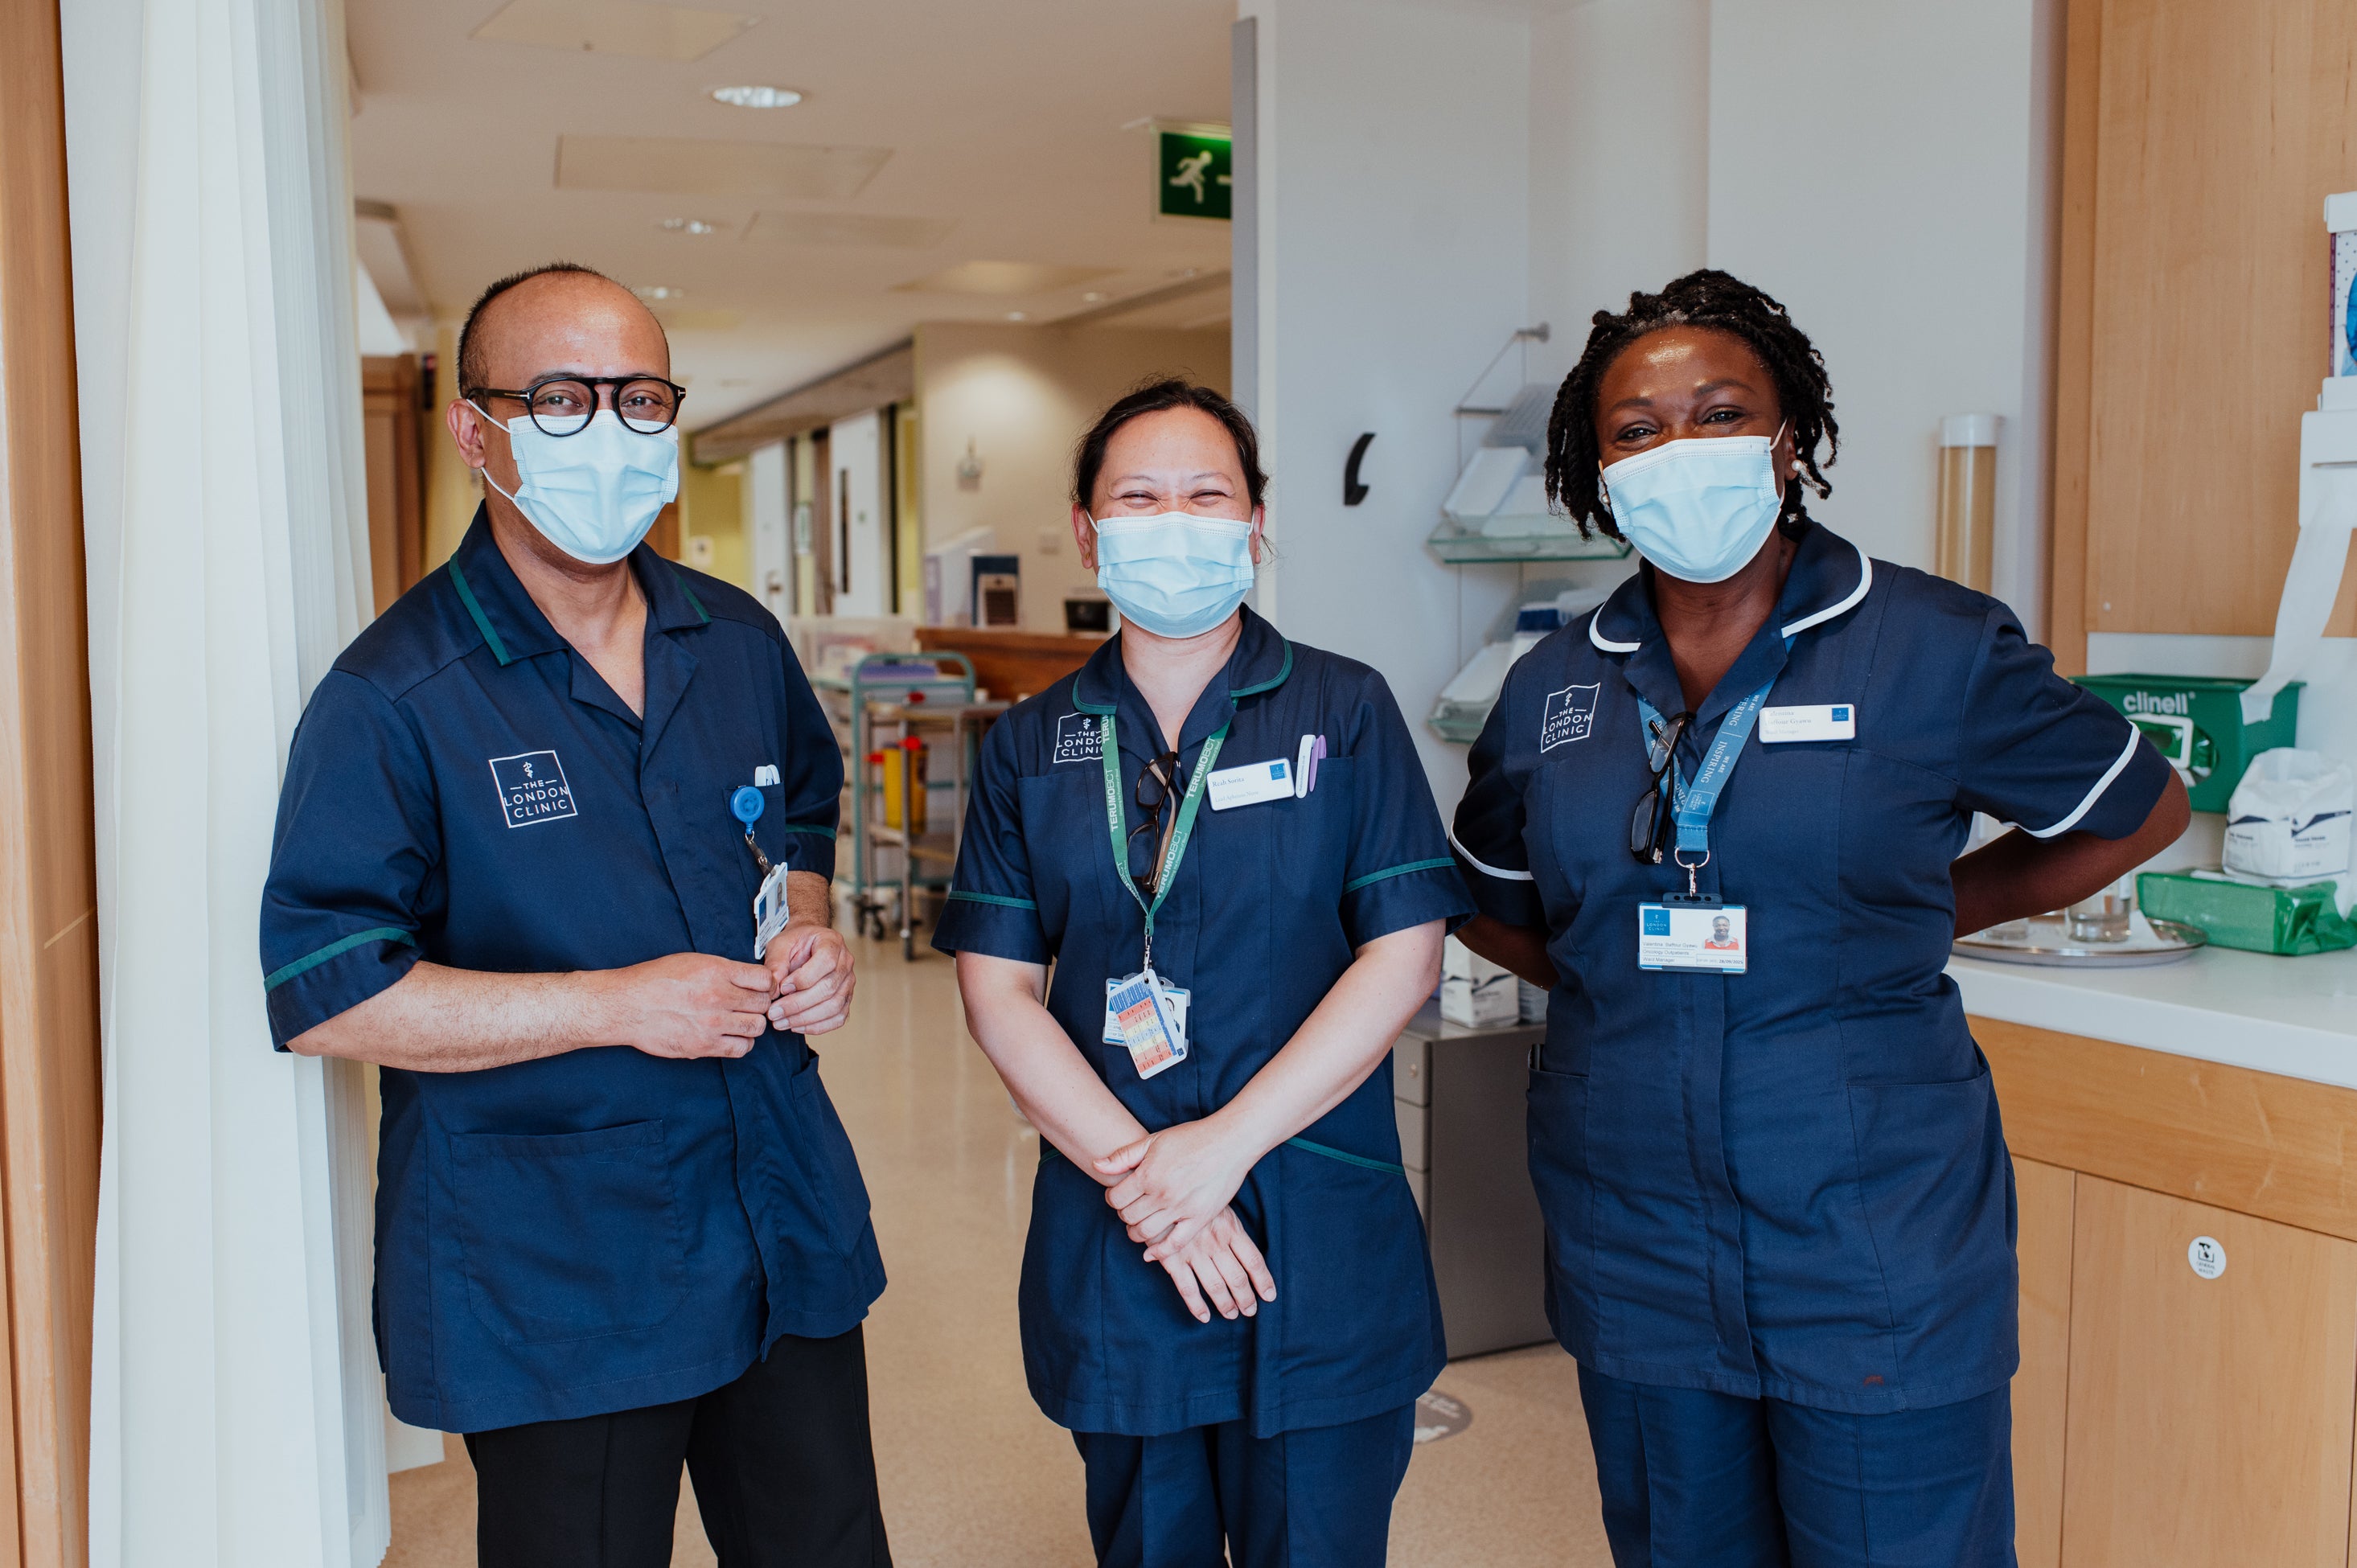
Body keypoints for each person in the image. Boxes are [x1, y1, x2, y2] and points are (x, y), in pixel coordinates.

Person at [1450, 270, 2189, 1567]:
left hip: (1874, 1250)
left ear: (1789, 442)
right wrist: (1621, 971)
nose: (1679, 447)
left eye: (1720, 411)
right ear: (1596, 469)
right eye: (1637, 428)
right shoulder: (1556, 686)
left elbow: (2137, 807)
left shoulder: (1929, 645)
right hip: (1641, 1244)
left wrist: (1934, 905)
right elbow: (1496, 904)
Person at [259, 262, 892, 1568]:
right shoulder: (396, 695)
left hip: (778, 1220)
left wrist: (809, 933)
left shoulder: (736, 640)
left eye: (639, 396)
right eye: (560, 398)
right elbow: (329, 989)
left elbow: (804, 821)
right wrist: (616, 1001)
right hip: (559, 1268)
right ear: (474, 427)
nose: (608, 430)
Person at [935, 380, 1472, 1567]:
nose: (1173, 520)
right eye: (1139, 496)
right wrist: (1153, 1187)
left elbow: (1403, 951)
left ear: (1255, 520)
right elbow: (998, 988)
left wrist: (1220, 1150)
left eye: (1205, 494)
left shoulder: (1345, 708)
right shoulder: (1033, 743)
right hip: (1121, 1232)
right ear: (1087, 528)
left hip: (1317, 1223)